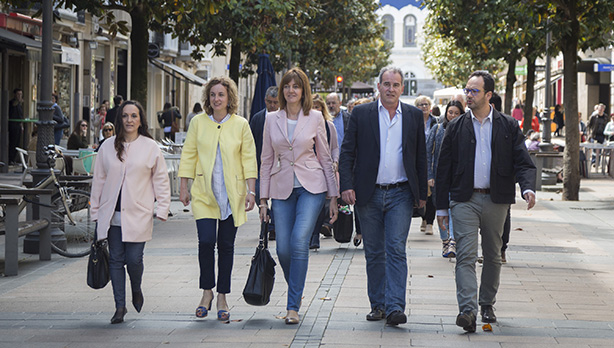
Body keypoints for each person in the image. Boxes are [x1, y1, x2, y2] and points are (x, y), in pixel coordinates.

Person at [435, 70, 536, 333]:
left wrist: (527, 189)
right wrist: (441, 207)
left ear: (488, 95)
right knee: (465, 256)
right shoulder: (456, 127)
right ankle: (467, 311)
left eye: (474, 91)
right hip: (464, 200)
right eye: (467, 90)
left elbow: (523, 162)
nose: (468, 95)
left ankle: (486, 303)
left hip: (496, 199)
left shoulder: (507, 126)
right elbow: (443, 167)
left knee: (493, 254)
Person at [339, 66, 427, 326]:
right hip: (369, 193)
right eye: (386, 84)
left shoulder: (412, 115)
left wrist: (422, 193)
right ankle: (378, 304)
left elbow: (420, 156)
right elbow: (347, 153)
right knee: (375, 251)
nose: (390, 89)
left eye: (395, 84)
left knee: (396, 249)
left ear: (402, 88)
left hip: (400, 192)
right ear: (378, 86)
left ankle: (395, 306)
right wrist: (346, 185)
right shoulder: (362, 114)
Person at [259, 67, 338, 325]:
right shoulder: (271, 119)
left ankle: (293, 305)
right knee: (282, 248)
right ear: (282, 90)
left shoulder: (315, 117)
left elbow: (325, 157)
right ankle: (297, 287)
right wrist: (262, 199)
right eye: (287, 86)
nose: (291, 90)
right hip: (281, 188)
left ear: (303, 91)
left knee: (298, 240)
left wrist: (333, 196)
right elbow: (266, 159)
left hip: (312, 187)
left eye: (296, 86)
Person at [178, 76, 257, 322]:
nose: (216, 99)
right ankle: (206, 292)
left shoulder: (241, 124)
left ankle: (222, 295)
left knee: (226, 247)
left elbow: (249, 158)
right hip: (204, 193)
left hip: (232, 195)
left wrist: (251, 191)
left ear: (229, 98)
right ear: (208, 98)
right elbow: (189, 154)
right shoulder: (199, 123)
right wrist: (184, 186)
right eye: (212, 95)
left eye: (221, 94)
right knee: (205, 243)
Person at [90, 100, 171, 324]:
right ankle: (120, 307)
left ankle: (136, 288)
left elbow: (161, 180)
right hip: (112, 215)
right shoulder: (107, 147)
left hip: (138, 213)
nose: (129, 120)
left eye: (133, 116)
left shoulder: (150, 147)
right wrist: (95, 212)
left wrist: (162, 207)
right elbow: (99, 181)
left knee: (134, 260)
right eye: (125, 116)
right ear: (119, 119)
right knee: (115, 260)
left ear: (140, 120)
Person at [426, 100, 463, 258]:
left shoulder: (464, 129)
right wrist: (429, 176)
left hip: (458, 178)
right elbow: (427, 153)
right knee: (441, 209)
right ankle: (445, 241)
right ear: (445, 113)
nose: (453, 115)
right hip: (439, 177)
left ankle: (453, 241)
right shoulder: (437, 129)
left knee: (453, 209)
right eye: (450, 112)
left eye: (456, 113)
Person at [309, 95, 339, 250]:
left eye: (318, 107)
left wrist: (335, 162)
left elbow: (334, 147)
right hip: (307, 170)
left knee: (320, 204)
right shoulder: (304, 124)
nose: (315, 110)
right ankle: (309, 234)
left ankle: (314, 236)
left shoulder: (328, 125)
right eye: (312, 106)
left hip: (323, 169)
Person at [249, 86, 279, 240]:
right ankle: (267, 221)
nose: (272, 105)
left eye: (275, 102)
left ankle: (272, 225)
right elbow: (251, 142)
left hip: (279, 166)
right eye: (269, 102)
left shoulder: (284, 118)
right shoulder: (258, 118)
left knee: (278, 197)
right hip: (261, 165)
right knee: (261, 194)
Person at [414, 96, 438, 235]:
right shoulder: (412, 121)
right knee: (421, 190)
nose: (424, 107)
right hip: (417, 161)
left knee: (431, 192)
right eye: (421, 104)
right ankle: (423, 217)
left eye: (426, 104)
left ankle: (429, 222)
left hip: (431, 161)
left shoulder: (435, 122)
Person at [8, 88, 24, 163]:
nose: (19, 96)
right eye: (18, 94)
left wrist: (22, 125)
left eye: (21, 94)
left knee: (17, 142)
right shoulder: (12, 103)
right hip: (12, 125)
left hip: (18, 125)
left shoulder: (20, 104)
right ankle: (10, 159)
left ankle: (14, 159)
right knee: (12, 142)